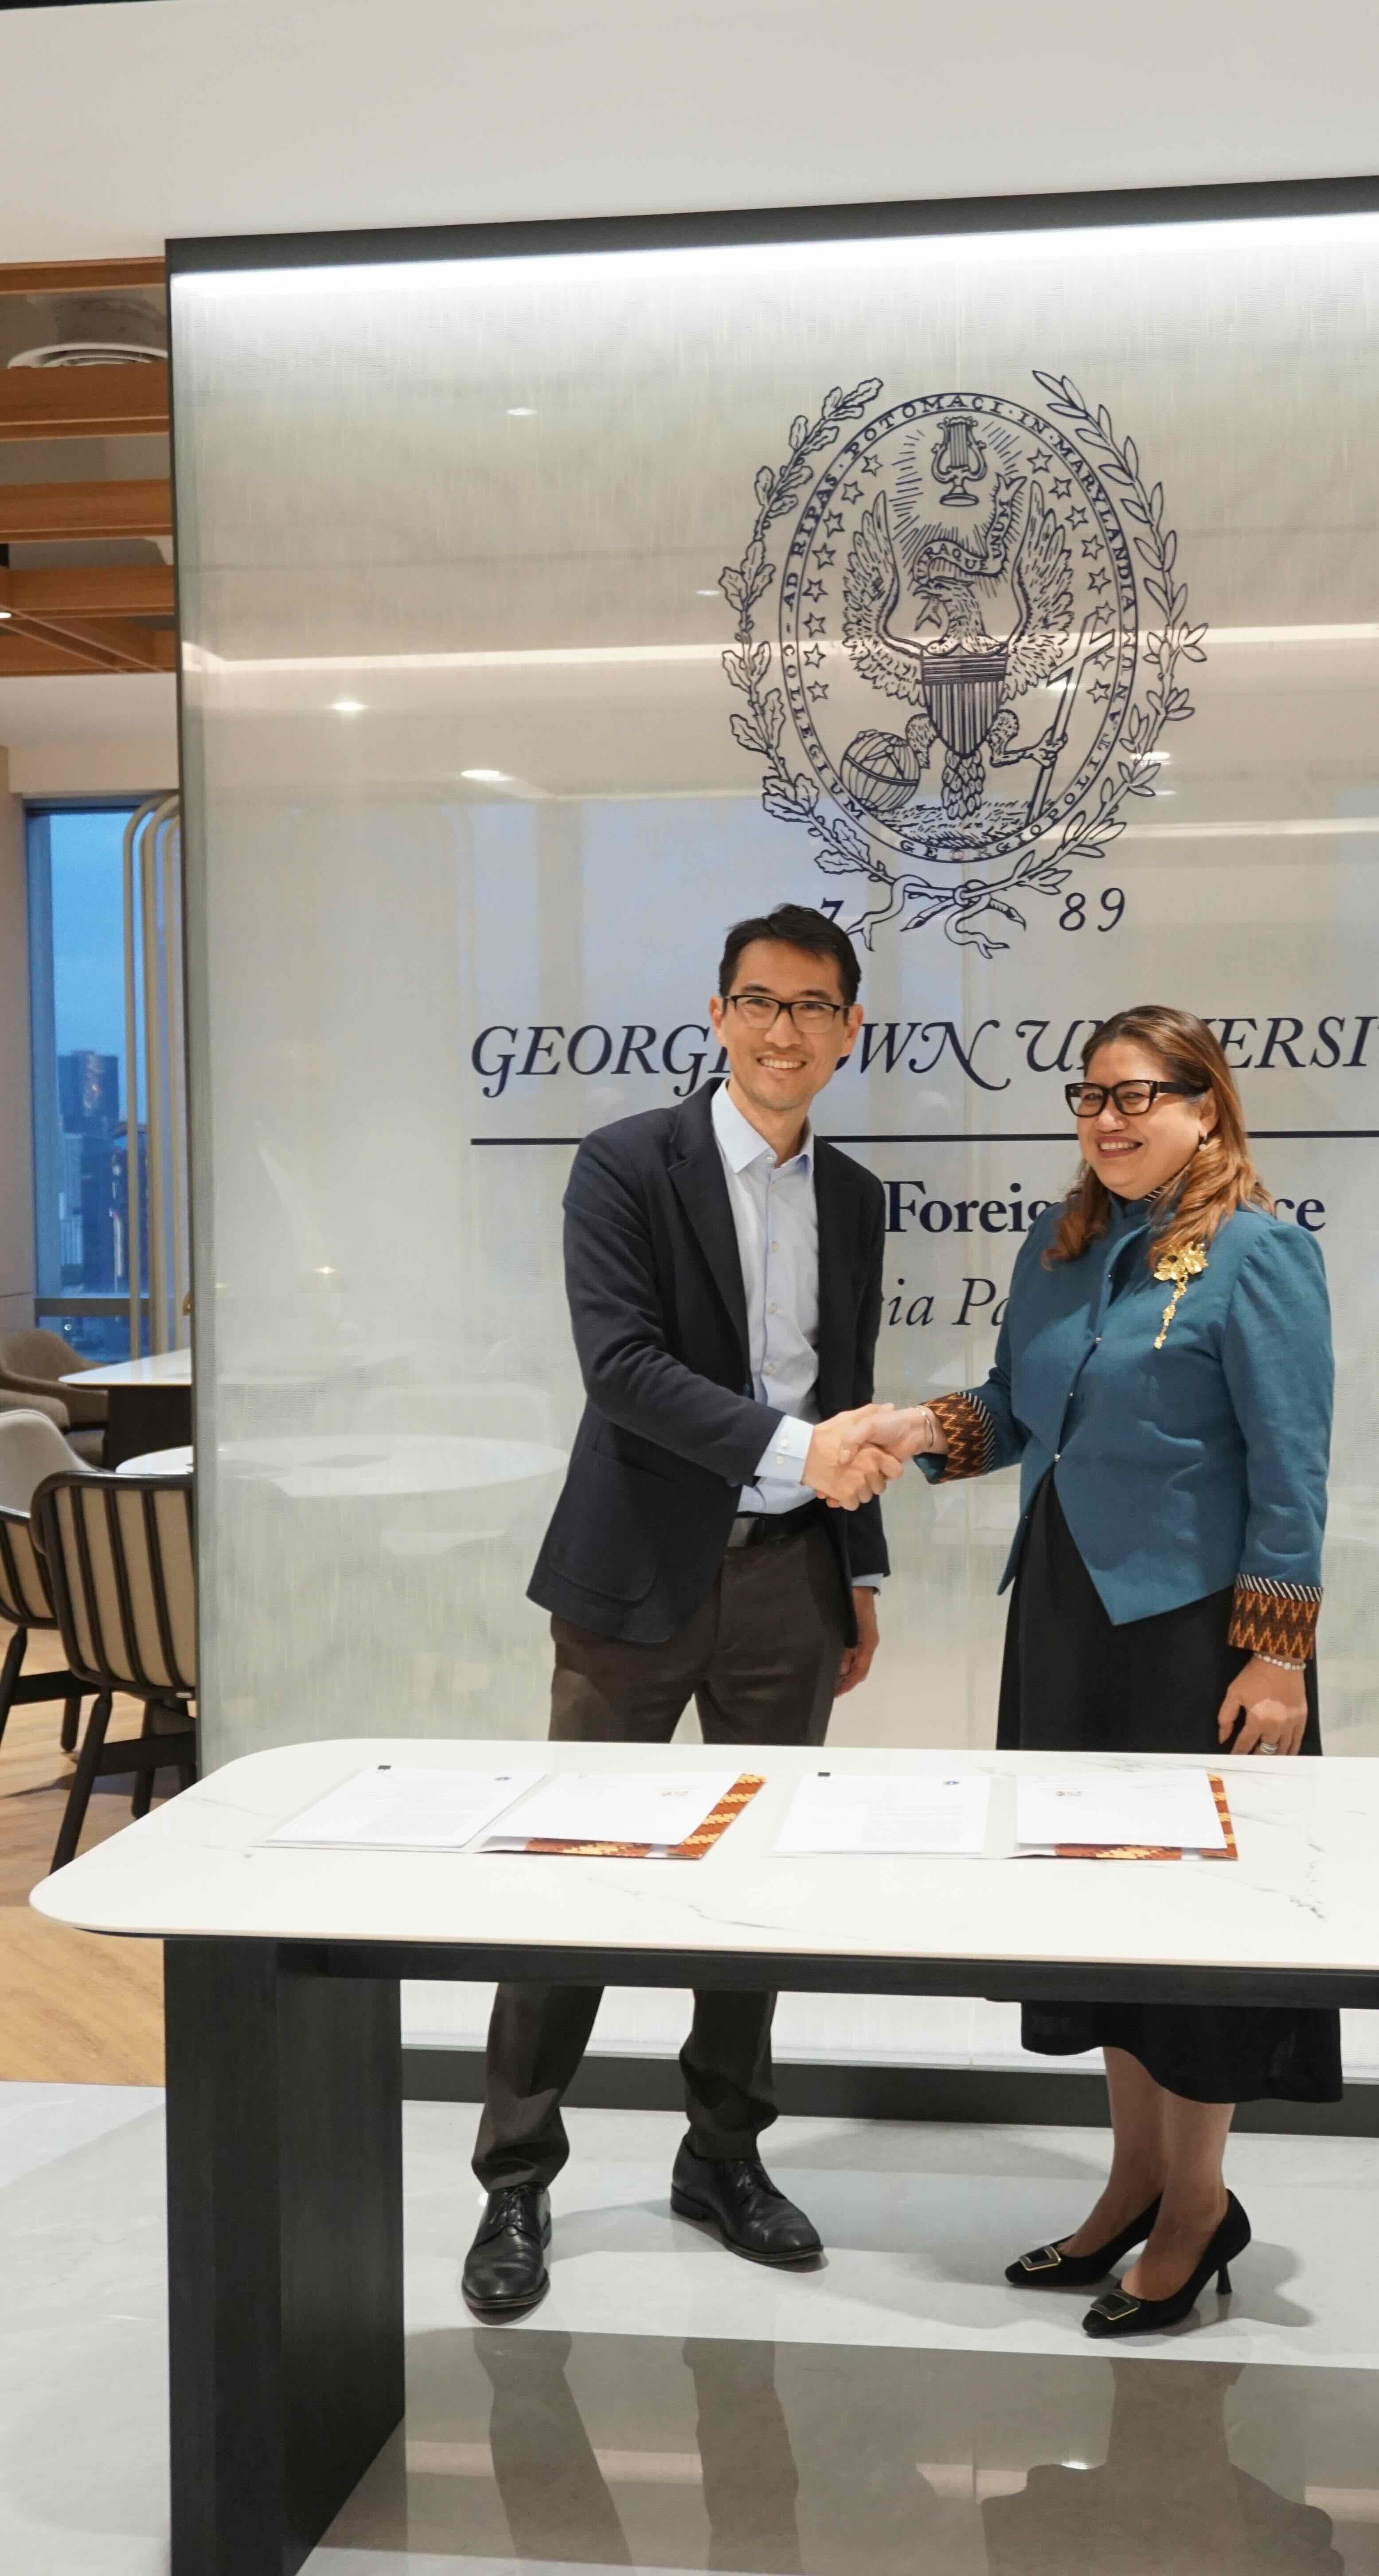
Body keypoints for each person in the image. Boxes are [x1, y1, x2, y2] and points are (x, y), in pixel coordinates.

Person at [858, 1004, 1338, 2337]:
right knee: (1101, 1925)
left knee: (1194, 1936)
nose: (1110, 1120)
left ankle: (1199, 2208)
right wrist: (913, 1432)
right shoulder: (1061, 1246)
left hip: (1197, 1634)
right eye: (1091, 1097)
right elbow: (1016, 1411)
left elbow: (1291, 1467)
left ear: (1206, 1108)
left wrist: (1278, 1659)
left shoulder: (1260, 1254)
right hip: (1066, 1619)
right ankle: (1133, 2182)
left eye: (1139, 1095)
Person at [463, 903, 903, 2320]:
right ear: (715, 1016)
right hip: (634, 1579)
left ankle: (722, 2159)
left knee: (752, 1887)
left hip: (791, 1578)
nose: (786, 1030)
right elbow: (626, 1370)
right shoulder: (625, 1165)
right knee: (573, 1880)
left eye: (815, 1007)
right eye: (760, 1003)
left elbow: (847, 1382)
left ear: (851, 1030)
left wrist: (860, 1569)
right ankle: (516, 2177)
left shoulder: (857, 1198)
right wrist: (800, 1455)